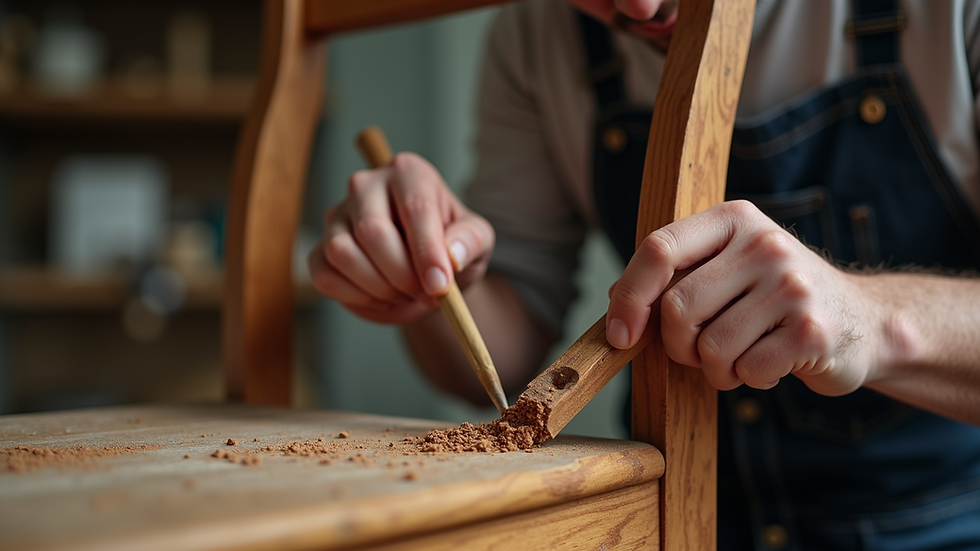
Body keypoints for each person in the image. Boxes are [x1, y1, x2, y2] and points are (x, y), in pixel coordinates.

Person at [309, 0, 980, 548]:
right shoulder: (535, 34)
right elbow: (500, 354)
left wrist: (872, 320)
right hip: (668, 524)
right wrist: (429, 275)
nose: (637, 6)